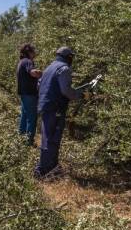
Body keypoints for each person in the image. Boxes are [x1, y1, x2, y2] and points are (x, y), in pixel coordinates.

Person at [34, 46, 83, 178]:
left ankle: (52, 168)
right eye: (71, 57)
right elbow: (66, 91)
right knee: (52, 140)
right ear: (68, 57)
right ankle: (44, 171)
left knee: (48, 138)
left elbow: (39, 85)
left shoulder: (49, 68)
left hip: (45, 106)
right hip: (55, 108)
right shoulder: (64, 69)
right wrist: (80, 95)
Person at [16, 43, 42, 146]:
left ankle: (21, 138)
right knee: (32, 118)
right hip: (30, 95)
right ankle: (29, 141)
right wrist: (44, 73)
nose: (35, 53)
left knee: (24, 116)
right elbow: (33, 72)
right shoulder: (28, 61)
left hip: (24, 94)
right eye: (33, 51)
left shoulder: (21, 62)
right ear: (29, 52)